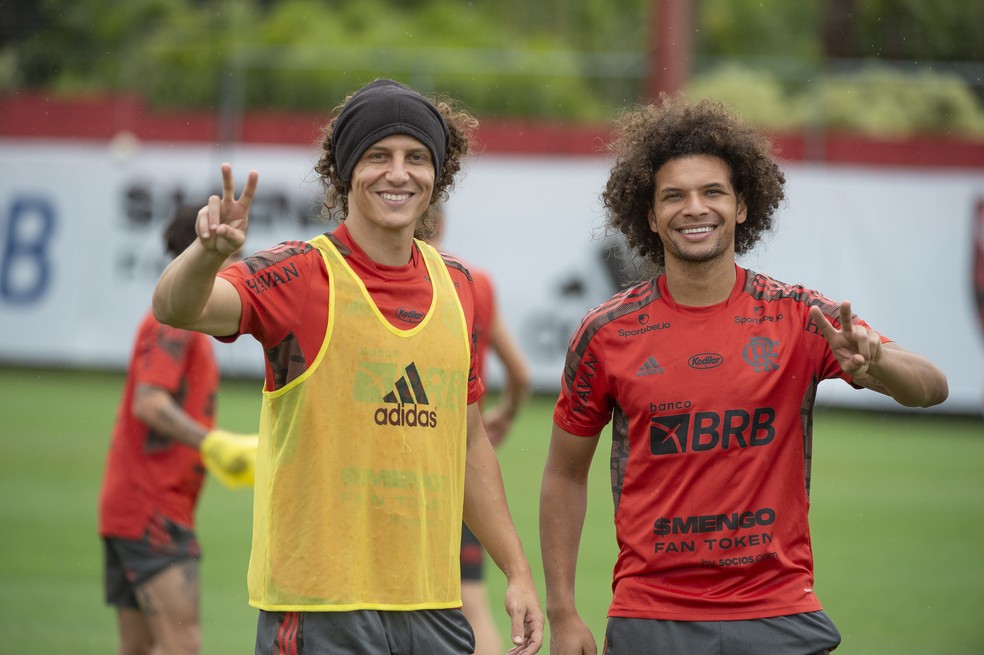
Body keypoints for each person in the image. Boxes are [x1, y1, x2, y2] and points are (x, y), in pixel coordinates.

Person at [539, 94, 949, 655]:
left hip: (779, 611)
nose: (694, 208)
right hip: (653, 616)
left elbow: (931, 388)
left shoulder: (798, 315)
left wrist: (879, 361)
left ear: (742, 207)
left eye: (713, 192)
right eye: (674, 196)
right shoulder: (606, 331)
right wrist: (562, 613)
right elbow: (564, 474)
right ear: (651, 215)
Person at [151, 78, 543, 655]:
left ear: (439, 175)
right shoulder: (299, 274)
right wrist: (206, 255)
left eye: (416, 158)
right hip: (320, 609)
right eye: (377, 156)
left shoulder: (458, 286)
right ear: (344, 172)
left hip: (432, 605)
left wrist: (517, 570)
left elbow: (468, 443)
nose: (398, 173)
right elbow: (177, 308)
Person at [98, 206, 258, 655]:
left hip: (131, 506)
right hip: (152, 510)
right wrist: (214, 443)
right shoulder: (174, 324)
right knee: (181, 645)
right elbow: (148, 401)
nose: (239, 265)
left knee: (139, 647)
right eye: (232, 254)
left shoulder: (175, 322)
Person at [426, 204, 532, 655]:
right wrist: (504, 414)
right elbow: (521, 375)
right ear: (443, 222)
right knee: (471, 601)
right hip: (458, 464)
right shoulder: (474, 282)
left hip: (404, 460)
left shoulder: (378, 284)